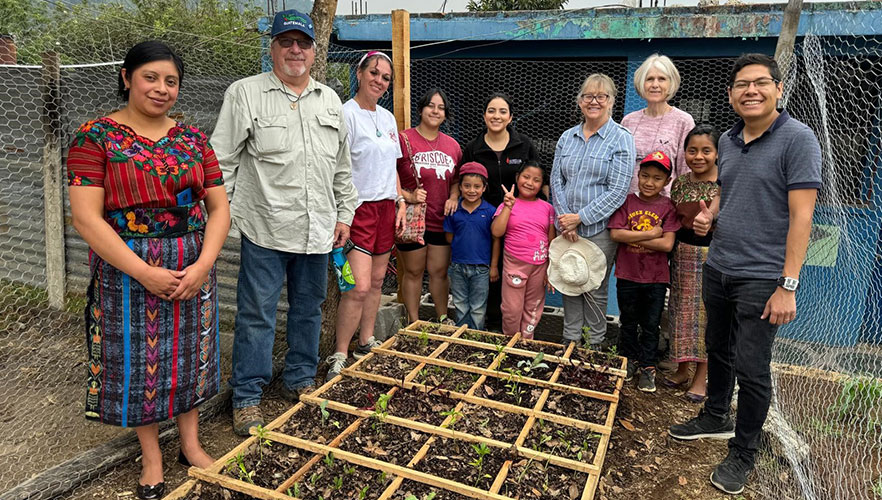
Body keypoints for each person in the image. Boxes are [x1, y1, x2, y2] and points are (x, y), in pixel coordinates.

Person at [68, 41, 229, 499]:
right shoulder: (94, 137)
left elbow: (219, 209)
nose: (162, 89)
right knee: (141, 363)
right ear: (126, 77)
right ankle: (153, 457)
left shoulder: (194, 139)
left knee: (191, 358)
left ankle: (191, 445)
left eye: (171, 81)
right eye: (151, 77)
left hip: (193, 266)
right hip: (127, 269)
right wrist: (143, 271)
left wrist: (202, 265)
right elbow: (85, 218)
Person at [668, 54, 821, 496]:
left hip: (762, 277)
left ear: (778, 88)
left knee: (753, 369)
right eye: (741, 84)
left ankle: (744, 452)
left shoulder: (798, 140)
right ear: (732, 94)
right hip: (719, 266)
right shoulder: (730, 140)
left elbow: (802, 218)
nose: (750, 91)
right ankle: (715, 415)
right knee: (717, 347)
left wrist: (787, 285)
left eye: (760, 83)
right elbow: (727, 188)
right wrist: (711, 215)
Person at [212, 10, 358, 436]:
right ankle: (248, 396)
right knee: (256, 314)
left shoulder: (329, 100)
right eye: (287, 41)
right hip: (265, 229)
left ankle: (299, 379)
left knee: (309, 310)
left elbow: (341, 168)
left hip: (317, 231)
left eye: (304, 43)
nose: (296, 49)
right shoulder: (245, 94)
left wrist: (345, 215)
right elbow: (220, 164)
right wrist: (226, 218)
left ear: (314, 51)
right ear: (273, 47)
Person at [326, 50, 405, 380]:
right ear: (359, 74)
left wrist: (401, 201)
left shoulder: (388, 119)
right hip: (357, 209)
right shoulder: (345, 114)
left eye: (385, 77)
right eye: (374, 73)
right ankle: (340, 353)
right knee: (355, 287)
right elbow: (335, 167)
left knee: (376, 281)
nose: (379, 80)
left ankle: (366, 340)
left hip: (386, 207)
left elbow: (393, 167)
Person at [550, 73, 636, 348]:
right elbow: (556, 180)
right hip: (567, 226)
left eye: (602, 96)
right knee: (568, 280)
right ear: (579, 101)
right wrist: (565, 220)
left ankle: (594, 344)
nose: (594, 101)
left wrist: (581, 218)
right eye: (588, 96)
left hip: (598, 229)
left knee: (594, 289)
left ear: (612, 101)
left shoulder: (621, 139)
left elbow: (618, 190)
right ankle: (570, 339)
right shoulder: (567, 137)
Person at [463, 93, 540, 330]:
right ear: (484, 115)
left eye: (502, 111)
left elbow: (538, 179)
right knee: (486, 270)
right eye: (491, 111)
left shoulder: (524, 145)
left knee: (511, 271)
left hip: (516, 219)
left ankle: (509, 325)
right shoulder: (473, 147)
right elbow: (461, 179)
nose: (496, 116)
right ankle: (484, 322)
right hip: (482, 218)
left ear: (511, 117)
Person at [608, 151, 680, 393]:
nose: (650, 182)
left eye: (657, 178)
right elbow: (616, 234)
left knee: (651, 324)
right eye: (645, 176)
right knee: (628, 321)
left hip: (656, 278)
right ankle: (627, 360)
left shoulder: (668, 207)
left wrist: (633, 236)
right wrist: (650, 234)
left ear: (667, 181)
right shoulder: (627, 202)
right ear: (637, 175)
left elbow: (667, 244)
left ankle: (648, 366)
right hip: (627, 274)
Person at [664, 124, 721, 402]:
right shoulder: (680, 183)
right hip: (681, 254)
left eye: (706, 151)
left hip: (712, 256)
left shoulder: (724, 184)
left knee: (705, 318)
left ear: (718, 153)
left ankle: (701, 378)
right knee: (680, 312)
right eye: (692, 150)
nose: (699, 157)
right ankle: (681, 369)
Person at [397, 88, 462, 324]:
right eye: (431, 106)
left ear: (445, 114)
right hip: (413, 219)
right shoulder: (404, 139)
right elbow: (388, 177)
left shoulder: (453, 146)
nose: (435, 111)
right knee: (413, 272)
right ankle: (413, 322)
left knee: (439, 272)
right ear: (421, 109)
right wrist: (409, 196)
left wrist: (454, 197)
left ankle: (442, 318)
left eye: (441, 107)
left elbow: (456, 181)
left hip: (440, 219)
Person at [491, 161, 556, 339]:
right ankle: (511, 343)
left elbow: (552, 240)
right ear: (517, 177)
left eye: (536, 180)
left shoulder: (548, 208)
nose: (529, 182)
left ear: (542, 185)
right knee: (512, 308)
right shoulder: (507, 204)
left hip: (539, 266)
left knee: (533, 308)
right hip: (514, 265)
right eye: (526, 177)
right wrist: (508, 207)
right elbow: (496, 231)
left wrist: (551, 269)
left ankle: (527, 343)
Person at [621, 54, 695, 197]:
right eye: (649, 79)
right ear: (642, 83)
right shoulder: (628, 121)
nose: (655, 85)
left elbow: (686, 171)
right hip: (628, 205)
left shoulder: (683, 121)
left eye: (661, 79)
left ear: (671, 83)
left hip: (664, 207)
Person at [443, 162, 498, 329]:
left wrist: (493, 266)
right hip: (458, 265)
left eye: (477, 186)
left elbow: (496, 239)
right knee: (460, 303)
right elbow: (449, 237)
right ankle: (462, 336)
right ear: (459, 187)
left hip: (481, 268)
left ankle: (476, 337)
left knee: (478, 307)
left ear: (484, 188)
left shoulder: (490, 211)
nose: (471, 190)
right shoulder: (454, 210)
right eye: (467, 186)